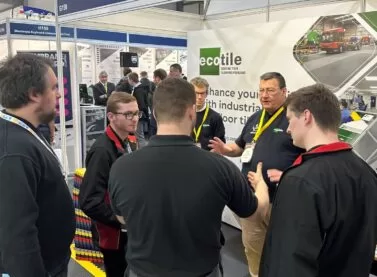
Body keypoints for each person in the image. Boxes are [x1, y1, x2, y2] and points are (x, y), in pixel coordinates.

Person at [108, 78, 270, 277]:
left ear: (154, 113)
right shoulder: (221, 169)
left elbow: (122, 217)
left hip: (142, 271)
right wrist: (262, 186)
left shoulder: (121, 167)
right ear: (192, 112)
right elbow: (255, 214)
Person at [260, 83, 377, 277]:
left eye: (290, 119)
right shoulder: (366, 173)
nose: (288, 129)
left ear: (306, 116)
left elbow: (287, 262)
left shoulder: (299, 180)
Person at [209, 72, 304, 276]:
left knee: (283, 247)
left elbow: (309, 155)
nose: (264, 95)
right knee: (252, 246)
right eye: (261, 90)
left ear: (284, 92)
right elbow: (241, 147)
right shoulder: (255, 118)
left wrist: (288, 173)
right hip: (250, 198)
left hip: (280, 200)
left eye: (270, 90)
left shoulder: (293, 118)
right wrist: (226, 150)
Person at [0, 54, 75, 276]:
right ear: (34, 94)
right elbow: (17, 235)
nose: (59, 94)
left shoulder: (24, 132)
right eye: (53, 88)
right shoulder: (14, 151)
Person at [79, 92, 139, 277]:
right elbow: (89, 200)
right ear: (111, 116)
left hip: (127, 230)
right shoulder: (102, 151)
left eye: (137, 113)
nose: (134, 119)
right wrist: (118, 219)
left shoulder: (128, 140)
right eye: (128, 114)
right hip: (113, 234)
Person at [190, 77, 225, 150]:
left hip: (207, 159)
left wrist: (211, 156)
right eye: (196, 93)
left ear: (206, 94)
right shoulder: (183, 115)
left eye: (202, 93)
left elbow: (221, 144)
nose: (199, 97)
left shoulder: (215, 117)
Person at [128, 72, 150, 148]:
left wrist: (138, 114)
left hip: (139, 115)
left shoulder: (138, 90)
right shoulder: (141, 88)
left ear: (131, 80)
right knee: (138, 135)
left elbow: (141, 104)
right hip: (140, 114)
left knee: (139, 135)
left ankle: (142, 153)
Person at [149, 68, 167, 137]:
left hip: (158, 123)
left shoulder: (162, 89)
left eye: (154, 77)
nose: (153, 79)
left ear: (157, 78)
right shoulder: (160, 88)